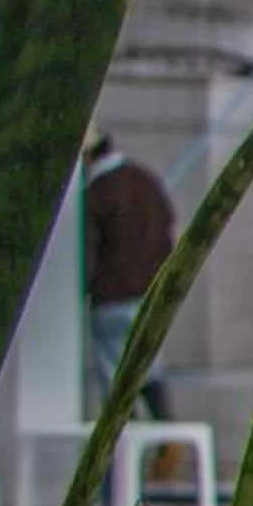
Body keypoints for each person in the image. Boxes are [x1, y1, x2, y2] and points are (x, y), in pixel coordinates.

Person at [84, 132, 175, 420]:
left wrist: (86, 287)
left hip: (111, 298)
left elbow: (87, 250)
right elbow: (168, 230)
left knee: (114, 375)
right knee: (150, 364)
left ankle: (119, 441)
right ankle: (165, 431)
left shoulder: (97, 191)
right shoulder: (146, 179)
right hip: (149, 294)